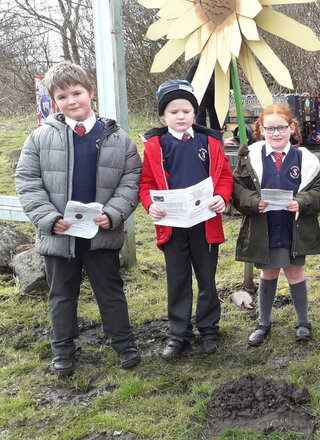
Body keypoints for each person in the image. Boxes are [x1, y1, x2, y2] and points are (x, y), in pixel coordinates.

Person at [15, 61, 141, 375]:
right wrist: (47, 218)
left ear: (90, 92)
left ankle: (123, 345)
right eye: (62, 97)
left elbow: (131, 180)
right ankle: (62, 352)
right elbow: (27, 181)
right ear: (53, 102)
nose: (71, 101)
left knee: (110, 291)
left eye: (77, 93)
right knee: (61, 294)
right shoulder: (40, 138)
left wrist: (112, 214)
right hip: (59, 234)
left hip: (100, 234)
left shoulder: (118, 139)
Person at [139, 80, 233, 360]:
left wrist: (222, 198)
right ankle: (179, 334)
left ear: (194, 113)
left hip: (205, 223)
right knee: (178, 281)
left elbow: (225, 177)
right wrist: (149, 206)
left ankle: (209, 328)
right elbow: (145, 184)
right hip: (172, 225)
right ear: (163, 116)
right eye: (173, 112)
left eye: (186, 110)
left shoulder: (210, 142)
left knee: (207, 279)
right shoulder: (156, 146)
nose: (180, 116)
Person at [232, 104, 320, 346]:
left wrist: (301, 202)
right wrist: (253, 202)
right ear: (261, 130)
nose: (276, 133)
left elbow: (319, 191)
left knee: (295, 271)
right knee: (268, 271)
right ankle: (263, 322)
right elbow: (238, 187)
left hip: (293, 227)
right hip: (265, 226)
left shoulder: (305, 160)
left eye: (281, 128)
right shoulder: (251, 158)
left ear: (291, 128)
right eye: (270, 128)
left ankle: (303, 322)